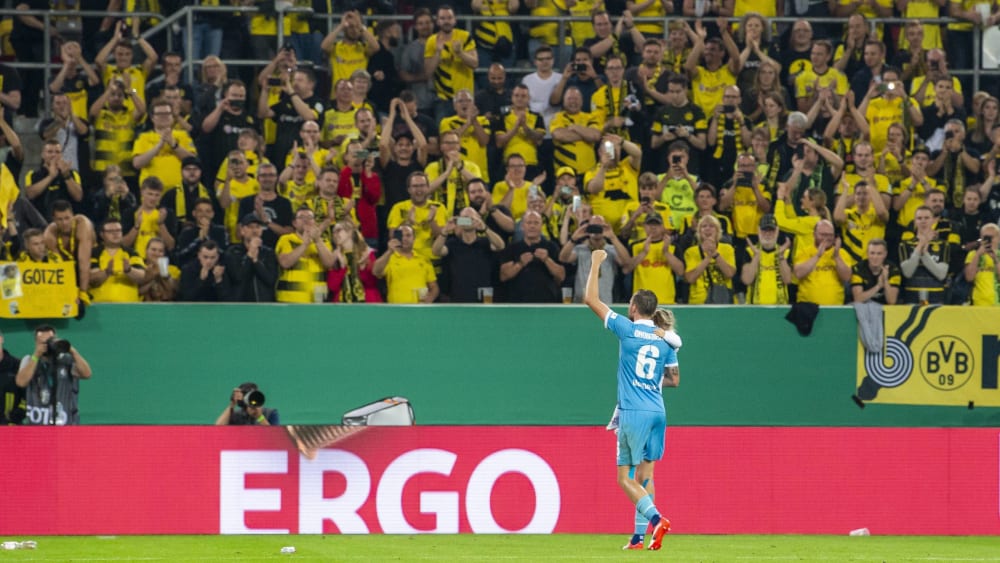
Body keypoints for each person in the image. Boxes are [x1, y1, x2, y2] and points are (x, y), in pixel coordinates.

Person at [582, 249, 674, 552]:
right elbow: (673, 379)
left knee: (624, 478)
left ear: (633, 307)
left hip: (633, 411)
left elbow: (591, 300)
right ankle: (637, 537)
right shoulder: (664, 339)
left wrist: (595, 262)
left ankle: (658, 519)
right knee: (645, 476)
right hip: (658, 411)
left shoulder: (627, 328)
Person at [15, 325, 93, 426]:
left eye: (50, 341)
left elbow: (87, 374)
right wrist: (36, 355)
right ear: (36, 343)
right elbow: (21, 382)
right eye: (43, 343)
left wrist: (71, 350)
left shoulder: (66, 361)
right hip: (37, 426)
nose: (47, 346)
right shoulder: (29, 360)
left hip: (65, 424)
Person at [432, 207, 506, 302]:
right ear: (459, 220)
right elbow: (436, 251)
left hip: (483, 297)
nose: (468, 221)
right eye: (465, 218)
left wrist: (484, 228)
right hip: (459, 297)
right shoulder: (452, 244)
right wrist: (445, 230)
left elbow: (500, 246)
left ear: (478, 219)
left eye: (472, 218)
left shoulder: (485, 243)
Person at [499, 210, 565, 302]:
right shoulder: (512, 248)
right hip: (518, 302)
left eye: (536, 223)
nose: (532, 226)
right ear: (522, 226)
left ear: (541, 226)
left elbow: (561, 276)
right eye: (529, 223)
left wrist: (546, 260)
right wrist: (520, 264)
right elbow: (503, 276)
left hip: (547, 302)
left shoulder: (551, 247)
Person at [276, 207, 336, 303]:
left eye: (310, 217)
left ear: (315, 222)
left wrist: (317, 240)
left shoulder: (323, 242)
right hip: (289, 300)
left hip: (317, 300)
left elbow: (329, 263)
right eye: (302, 217)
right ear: (294, 223)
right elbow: (285, 263)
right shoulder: (287, 239)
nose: (306, 220)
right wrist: (304, 244)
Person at [373, 224, 439, 304]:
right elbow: (375, 271)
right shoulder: (389, 258)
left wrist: (429, 299)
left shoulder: (424, 259)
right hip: (397, 309)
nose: (404, 238)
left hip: (419, 309)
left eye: (408, 235)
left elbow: (434, 287)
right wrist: (389, 251)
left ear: (414, 238)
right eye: (402, 235)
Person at [793, 220, 853, 305]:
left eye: (830, 235)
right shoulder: (804, 252)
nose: (827, 238)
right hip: (807, 309)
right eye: (823, 234)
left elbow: (847, 277)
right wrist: (817, 256)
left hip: (834, 308)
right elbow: (798, 273)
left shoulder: (841, 253)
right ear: (814, 234)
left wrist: (836, 256)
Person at [222, 214, 279, 303]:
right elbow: (238, 277)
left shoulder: (268, 253)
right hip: (241, 305)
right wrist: (249, 255)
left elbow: (270, 279)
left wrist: (256, 261)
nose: (255, 230)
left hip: (263, 304)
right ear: (242, 230)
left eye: (257, 227)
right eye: (250, 227)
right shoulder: (233, 252)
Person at [741, 213, 792, 305]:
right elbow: (747, 280)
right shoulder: (750, 252)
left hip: (780, 308)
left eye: (771, 230)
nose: (767, 234)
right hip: (755, 308)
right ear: (758, 231)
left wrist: (780, 256)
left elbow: (787, 280)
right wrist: (756, 256)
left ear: (777, 231)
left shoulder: (785, 252)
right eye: (764, 230)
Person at [327, 220, 382, 303]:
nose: (335, 235)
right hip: (342, 305)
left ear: (349, 232)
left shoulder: (366, 252)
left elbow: (371, 283)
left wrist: (362, 269)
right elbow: (332, 287)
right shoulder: (334, 256)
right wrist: (342, 267)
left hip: (366, 304)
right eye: (333, 232)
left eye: (338, 230)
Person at [851, 238, 901, 304]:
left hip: (885, 308)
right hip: (863, 306)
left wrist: (885, 280)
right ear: (867, 254)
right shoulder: (858, 268)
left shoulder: (893, 270)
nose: (875, 257)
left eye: (879, 254)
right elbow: (858, 299)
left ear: (885, 254)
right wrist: (878, 286)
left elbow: (891, 301)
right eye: (872, 253)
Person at [963, 223, 1000, 306]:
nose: (989, 241)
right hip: (979, 303)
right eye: (985, 238)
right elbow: (969, 277)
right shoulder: (973, 254)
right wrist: (978, 255)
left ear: (998, 238)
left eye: (991, 237)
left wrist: (996, 260)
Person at [215, 382, 280, 426]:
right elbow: (218, 428)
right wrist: (232, 404)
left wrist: (260, 417)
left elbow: (274, 436)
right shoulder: (236, 415)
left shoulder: (271, 413)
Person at [138, 237, 179, 302]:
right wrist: (153, 276)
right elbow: (138, 292)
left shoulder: (173, 269)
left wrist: (165, 274)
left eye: (160, 251)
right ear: (146, 251)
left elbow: (173, 292)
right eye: (153, 250)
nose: (157, 253)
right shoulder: (138, 268)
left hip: (166, 307)